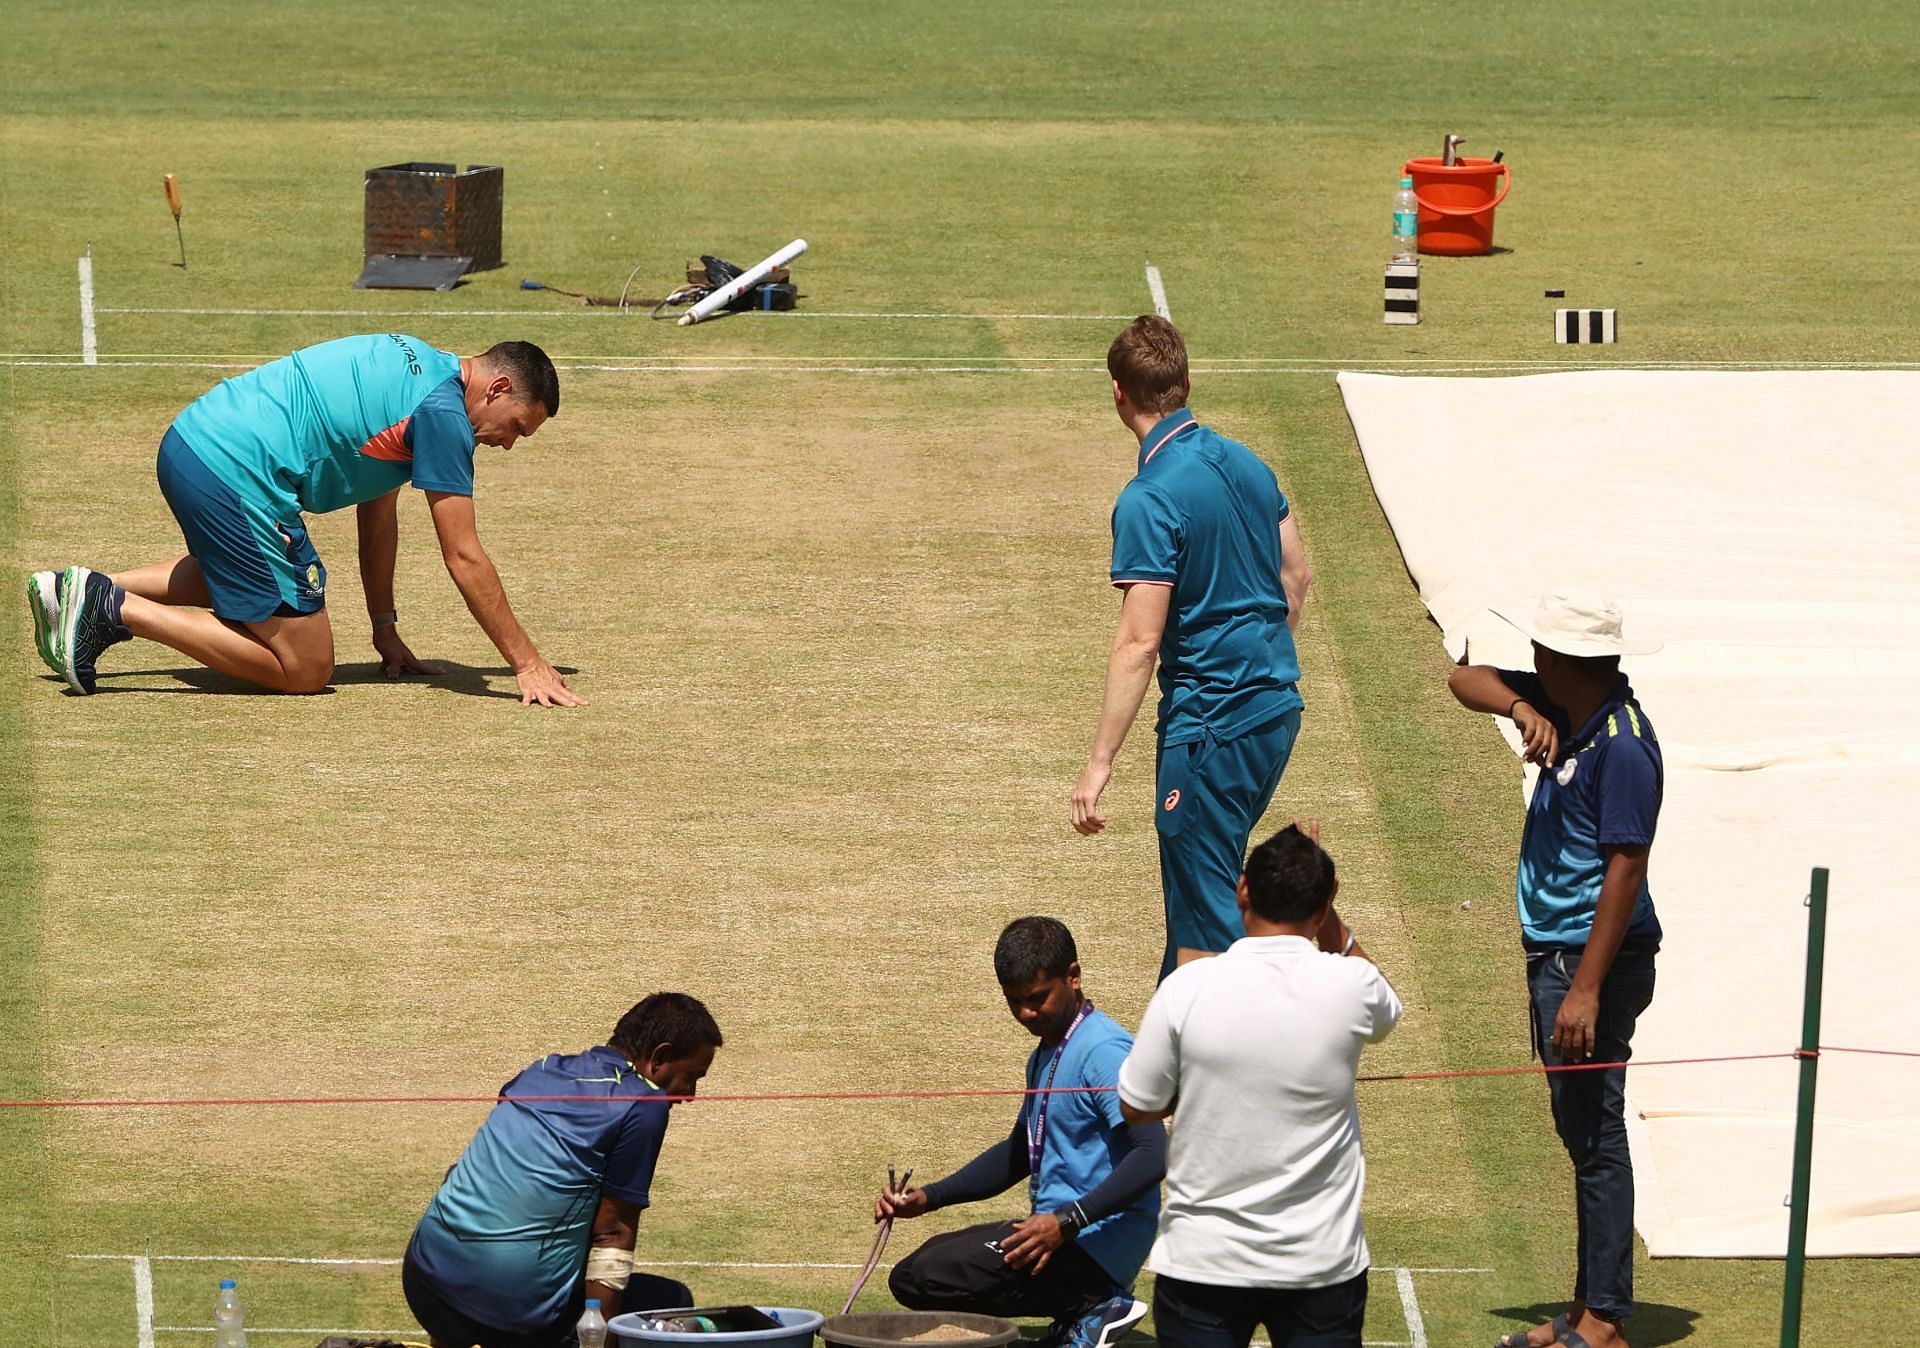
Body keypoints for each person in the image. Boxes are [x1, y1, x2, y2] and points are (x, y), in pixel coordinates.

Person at [26, 333, 583, 706]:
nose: (509, 444)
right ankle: (112, 608)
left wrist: (384, 627)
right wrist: (526, 663)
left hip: (192, 442)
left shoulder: (422, 363)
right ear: (500, 387)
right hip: (234, 471)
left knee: (245, 571)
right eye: (516, 427)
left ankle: (82, 589)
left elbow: (378, 516)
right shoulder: (443, 417)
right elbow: (463, 554)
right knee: (306, 666)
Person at [1447, 593, 1663, 1348]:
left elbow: (1625, 871)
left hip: (1589, 963)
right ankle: (1585, 1309)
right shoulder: (1567, 704)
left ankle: (1603, 1320)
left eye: (1540, 650)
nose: (1531, 658)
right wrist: (1516, 707)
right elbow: (1463, 679)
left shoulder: (1625, 747)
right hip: (1563, 956)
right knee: (1582, 1133)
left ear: (1565, 660)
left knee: (1596, 1136)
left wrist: (1585, 989)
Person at [1069, 315, 1312, 979]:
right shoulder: (1248, 463)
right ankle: (1166, 1075)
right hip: (1273, 711)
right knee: (1196, 908)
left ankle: (1253, 1068)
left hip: (1210, 729)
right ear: (1185, 382)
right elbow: (1297, 576)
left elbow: (1140, 642)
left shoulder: (1149, 499)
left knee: (1209, 928)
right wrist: (1260, 662)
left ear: (1118, 393)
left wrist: (1099, 763)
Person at [1117, 824, 1400, 1348]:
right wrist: (1327, 905)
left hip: (1203, 1263)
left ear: (1242, 890)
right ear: (1321, 908)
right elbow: (1387, 1010)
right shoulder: (1352, 986)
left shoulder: (1186, 988)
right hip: (1322, 1266)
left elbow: (1136, 1107)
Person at [880, 916, 1165, 1348]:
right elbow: (1019, 1152)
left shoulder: (1103, 1050)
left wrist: (1070, 1221)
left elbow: (1153, 1153)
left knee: (924, 1276)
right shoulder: (1048, 1050)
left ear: (1073, 976)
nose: (1025, 1014)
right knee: (923, 1265)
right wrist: (930, 1197)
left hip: (1092, 1240)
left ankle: (1096, 1303)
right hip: (1056, 1230)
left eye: (1036, 999)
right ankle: (1078, 1311)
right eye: (1013, 1002)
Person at [402, 993, 723, 1348]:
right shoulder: (644, 1105)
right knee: (671, 1303)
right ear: (658, 1058)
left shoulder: (540, 1071)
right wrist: (598, 1341)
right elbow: (612, 1234)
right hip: (510, 1318)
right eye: (690, 1077)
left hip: (423, 1286)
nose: (690, 1095)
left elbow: (469, 1175)